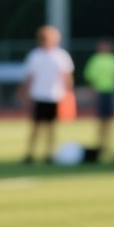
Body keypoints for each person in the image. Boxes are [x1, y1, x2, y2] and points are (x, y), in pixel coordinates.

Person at [20, 26, 73, 164]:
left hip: (55, 96)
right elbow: (29, 77)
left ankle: (49, 153)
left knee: (51, 127)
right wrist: (25, 93)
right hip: (38, 95)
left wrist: (68, 93)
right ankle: (30, 153)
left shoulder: (61, 56)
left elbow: (66, 76)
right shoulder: (35, 55)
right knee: (35, 126)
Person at [84, 39, 114, 159]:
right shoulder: (95, 60)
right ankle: (100, 143)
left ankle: (108, 144)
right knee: (101, 120)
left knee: (110, 120)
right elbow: (90, 77)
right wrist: (92, 92)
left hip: (111, 91)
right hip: (100, 91)